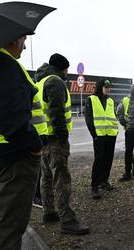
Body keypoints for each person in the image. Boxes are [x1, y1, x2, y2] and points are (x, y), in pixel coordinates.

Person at [0, 36, 48, 249]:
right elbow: (12, 121)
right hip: (15, 157)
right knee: (8, 228)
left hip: (1, 154)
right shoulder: (5, 65)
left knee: (0, 220)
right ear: (13, 38)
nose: (24, 46)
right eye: (23, 39)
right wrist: (35, 145)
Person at [35, 53, 89, 235]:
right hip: (55, 139)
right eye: (66, 69)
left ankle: (49, 212)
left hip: (43, 137)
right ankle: (67, 221)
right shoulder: (55, 82)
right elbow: (56, 111)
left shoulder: (40, 81)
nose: (67, 73)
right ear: (62, 68)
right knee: (61, 178)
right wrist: (62, 135)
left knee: (47, 177)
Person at [85, 79, 118, 199]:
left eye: (110, 87)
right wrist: (94, 134)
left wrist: (116, 131)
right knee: (99, 159)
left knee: (109, 159)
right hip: (99, 135)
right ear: (100, 87)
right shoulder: (91, 99)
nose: (109, 89)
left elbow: (112, 116)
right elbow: (89, 119)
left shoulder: (110, 100)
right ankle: (95, 186)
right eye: (106, 87)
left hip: (110, 134)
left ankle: (104, 181)